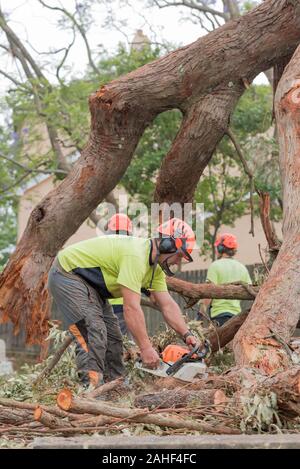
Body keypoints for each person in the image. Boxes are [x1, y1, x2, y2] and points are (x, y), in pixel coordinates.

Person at [47, 217, 200, 388]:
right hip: (67, 273)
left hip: (91, 285)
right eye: (179, 255)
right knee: (93, 330)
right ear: (167, 244)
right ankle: (90, 390)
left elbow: (167, 305)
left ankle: (116, 387)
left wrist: (187, 335)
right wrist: (146, 348)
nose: (178, 261)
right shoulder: (136, 255)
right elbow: (131, 308)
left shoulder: (154, 270)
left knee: (113, 337)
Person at [199, 233, 252, 327]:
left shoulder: (215, 266)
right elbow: (251, 291)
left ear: (220, 248)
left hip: (219, 315)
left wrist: (201, 313)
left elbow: (209, 292)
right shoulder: (242, 268)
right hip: (236, 316)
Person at [106, 213, 133, 336]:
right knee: (122, 340)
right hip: (123, 303)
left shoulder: (105, 248)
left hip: (105, 303)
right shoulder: (130, 250)